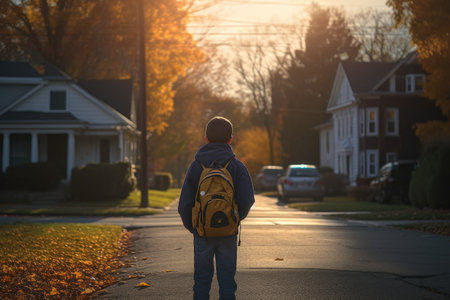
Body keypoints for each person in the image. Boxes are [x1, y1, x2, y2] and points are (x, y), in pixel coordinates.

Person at [178, 116, 255, 300]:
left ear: (206, 138)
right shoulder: (236, 166)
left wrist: (195, 226)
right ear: (230, 139)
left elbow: (184, 204)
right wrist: (234, 219)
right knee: (227, 280)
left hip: (202, 232)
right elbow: (247, 200)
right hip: (228, 232)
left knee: (202, 280)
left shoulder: (196, 166)